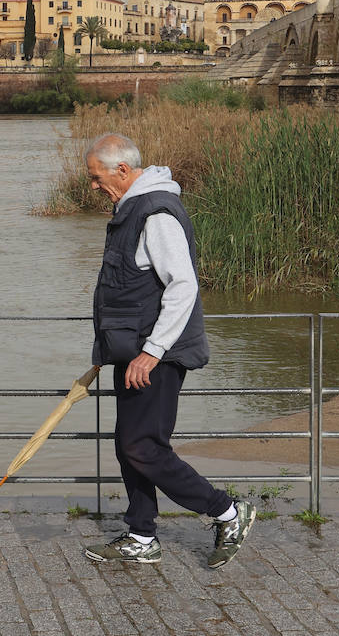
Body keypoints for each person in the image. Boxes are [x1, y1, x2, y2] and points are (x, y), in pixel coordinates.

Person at [80, 133, 255, 569]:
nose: (93, 185)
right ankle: (142, 535)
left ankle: (228, 512)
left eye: (96, 176)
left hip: (157, 355)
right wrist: (109, 347)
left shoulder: (155, 212)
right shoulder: (132, 208)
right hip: (135, 352)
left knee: (143, 447)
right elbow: (127, 289)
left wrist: (152, 351)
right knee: (129, 444)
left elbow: (184, 286)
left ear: (121, 169)